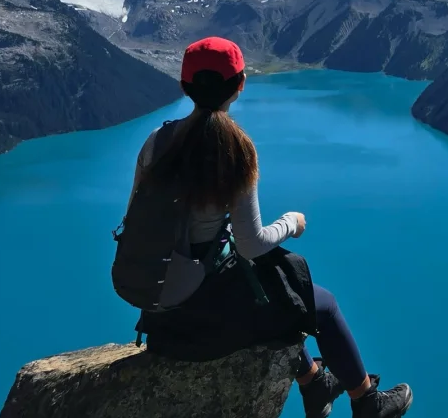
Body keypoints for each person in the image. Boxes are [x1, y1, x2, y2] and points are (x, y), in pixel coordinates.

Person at [128, 36, 413, 418]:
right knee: (320, 303)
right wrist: (290, 222)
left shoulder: (156, 141)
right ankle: (367, 402)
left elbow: (136, 217)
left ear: (184, 86)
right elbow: (252, 243)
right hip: (201, 318)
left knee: (272, 284)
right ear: (241, 84)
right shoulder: (235, 149)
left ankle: (313, 381)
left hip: (160, 312)